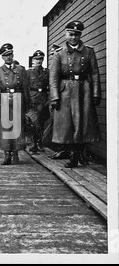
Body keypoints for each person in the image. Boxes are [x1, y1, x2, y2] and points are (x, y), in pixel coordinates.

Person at [50, 20, 101, 168]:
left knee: (83, 123)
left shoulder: (89, 51)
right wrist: (55, 97)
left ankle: (79, 154)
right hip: (66, 91)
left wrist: (96, 94)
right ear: (66, 34)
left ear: (80, 35)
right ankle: (73, 154)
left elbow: (95, 74)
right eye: (71, 34)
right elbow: (54, 78)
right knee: (68, 125)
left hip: (84, 90)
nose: (73, 37)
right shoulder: (59, 54)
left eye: (77, 35)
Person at [0, 43, 28, 165]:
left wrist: (27, 105)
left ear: (13, 54)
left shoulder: (21, 70)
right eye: (5, 55)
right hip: (4, 101)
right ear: (2, 57)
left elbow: (25, 89)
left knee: (17, 127)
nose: (8, 57)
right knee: (5, 128)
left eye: (10, 54)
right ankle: (7, 154)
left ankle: (16, 152)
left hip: (18, 99)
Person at [26, 50, 50, 153]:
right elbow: (25, 86)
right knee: (33, 121)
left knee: (41, 121)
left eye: (41, 59)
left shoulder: (46, 72)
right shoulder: (28, 72)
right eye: (37, 59)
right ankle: (34, 143)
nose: (39, 61)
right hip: (32, 99)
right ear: (33, 60)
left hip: (43, 98)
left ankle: (38, 143)